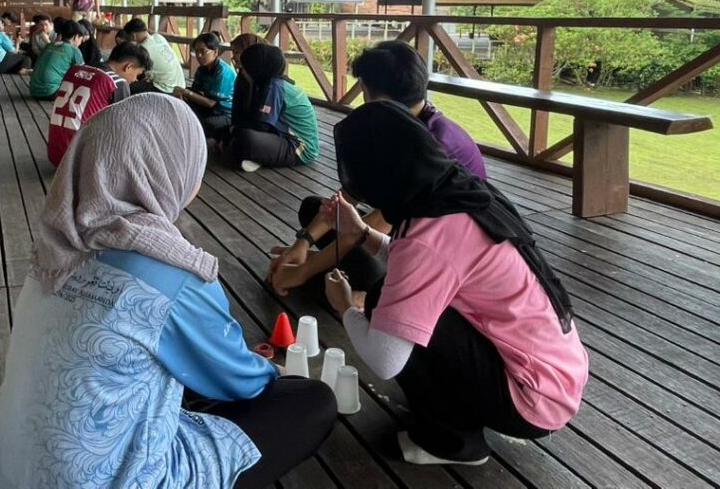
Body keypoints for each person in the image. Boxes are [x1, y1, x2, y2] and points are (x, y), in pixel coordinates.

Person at [0, 96, 337, 488]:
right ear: (162, 168)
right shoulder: (174, 274)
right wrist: (277, 373)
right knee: (312, 402)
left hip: (11, 473)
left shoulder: (54, 251)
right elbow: (243, 382)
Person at [320, 101, 587, 466]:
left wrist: (344, 306)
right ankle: (455, 418)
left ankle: (453, 442)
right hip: (556, 375)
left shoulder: (428, 234)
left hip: (529, 399)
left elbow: (385, 360)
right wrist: (362, 233)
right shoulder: (457, 191)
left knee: (386, 302)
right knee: (400, 301)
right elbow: (426, 264)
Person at [269, 39, 487, 295]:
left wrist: (305, 269)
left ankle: (366, 294)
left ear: (374, 93)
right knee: (313, 208)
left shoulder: (431, 145)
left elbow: (373, 227)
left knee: (355, 261)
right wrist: (303, 243)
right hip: (405, 231)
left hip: (448, 257)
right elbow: (348, 197)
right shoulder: (401, 126)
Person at [46, 41, 152, 167]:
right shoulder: (117, 82)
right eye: (138, 75)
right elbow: (122, 128)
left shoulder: (74, 69)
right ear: (129, 66)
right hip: (80, 163)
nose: (135, 80)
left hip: (55, 155)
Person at [230, 44, 318, 173]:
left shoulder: (274, 86)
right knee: (237, 136)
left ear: (256, 68)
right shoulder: (273, 82)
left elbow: (262, 126)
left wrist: (234, 130)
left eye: (245, 67)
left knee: (245, 137)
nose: (242, 71)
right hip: (283, 137)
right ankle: (262, 157)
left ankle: (262, 157)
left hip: (299, 148)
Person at [175, 31, 236, 140]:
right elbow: (195, 91)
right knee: (181, 107)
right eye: (196, 51)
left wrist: (185, 92)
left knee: (201, 124)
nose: (199, 55)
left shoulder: (223, 72)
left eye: (203, 51)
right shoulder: (202, 69)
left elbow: (211, 103)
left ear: (215, 52)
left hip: (225, 112)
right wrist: (183, 95)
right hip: (210, 107)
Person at [120, 18, 187, 95]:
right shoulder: (158, 37)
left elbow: (134, 73)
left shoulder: (142, 49)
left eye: (128, 39)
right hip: (181, 85)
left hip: (168, 89)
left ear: (133, 36)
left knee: (128, 88)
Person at [29, 20, 86, 99]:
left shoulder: (49, 45)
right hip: (51, 92)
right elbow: (82, 75)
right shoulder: (74, 50)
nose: (80, 43)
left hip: (33, 90)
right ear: (76, 36)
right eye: (81, 39)